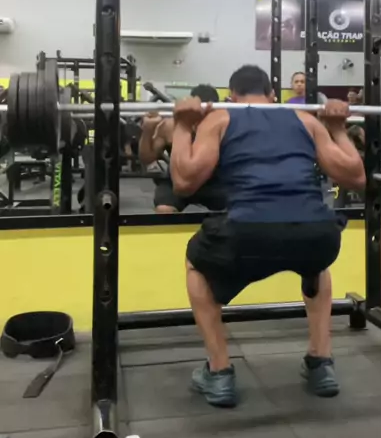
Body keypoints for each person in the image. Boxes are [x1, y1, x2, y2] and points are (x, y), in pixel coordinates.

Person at [170, 64, 365, 408]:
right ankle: (321, 363)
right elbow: (355, 176)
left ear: (231, 96)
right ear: (274, 95)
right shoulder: (304, 119)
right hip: (318, 233)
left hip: (247, 232)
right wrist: (338, 129)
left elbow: (184, 182)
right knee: (316, 263)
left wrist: (183, 126)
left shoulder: (219, 118)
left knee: (196, 264)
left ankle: (219, 372)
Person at [139, 84, 224, 213]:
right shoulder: (169, 126)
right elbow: (147, 159)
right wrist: (148, 130)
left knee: (239, 205)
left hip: (214, 183)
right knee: (164, 209)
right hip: (176, 182)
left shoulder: (223, 127)